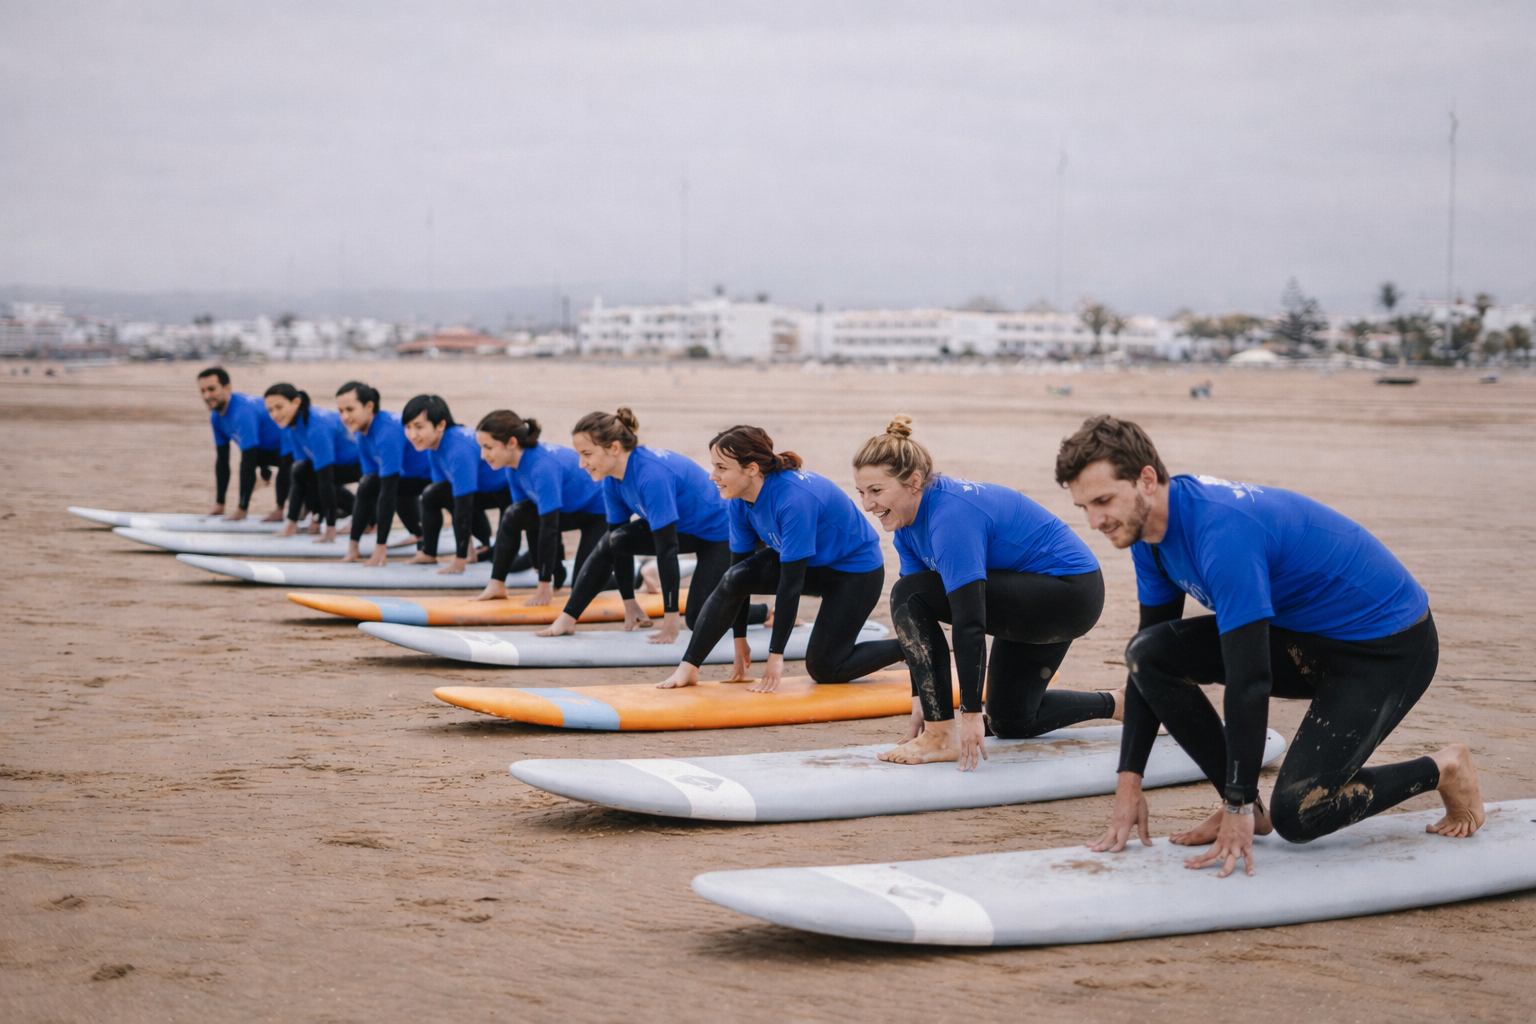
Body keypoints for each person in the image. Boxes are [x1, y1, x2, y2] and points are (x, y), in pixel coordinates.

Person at [1057, 414, 1482, 879]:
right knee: (1149, 652)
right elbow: (1148, 657)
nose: (1095, 521)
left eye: (1103, 501)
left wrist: (1236, 803)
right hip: (1309, 639)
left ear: (1147, 480)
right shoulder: (1148, 538)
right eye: (1084, 508)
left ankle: (1443, 767)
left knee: (1300, 814)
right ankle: (1248, 807)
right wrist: (1128, 783)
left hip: (1388, 647)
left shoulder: (1222, 533)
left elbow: (1250, 679)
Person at [853, 416, 1110, 770]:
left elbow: (969, 620)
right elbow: (919, 624)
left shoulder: (950, 517)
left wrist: (968, 714)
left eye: (877, 491)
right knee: (1011, 720)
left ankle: (940, 737)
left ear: (913, 482)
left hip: (1068, 594)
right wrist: (922, 700)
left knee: (907, 592)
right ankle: (1118, 703)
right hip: (1029, 595)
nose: (867, 504)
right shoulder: (907, 528)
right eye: (861, 493)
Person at [656, 425, 897, 693]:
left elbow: (791, 583)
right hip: (811, 564)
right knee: (734, 577)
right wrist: (740, 642)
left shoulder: (793, 499)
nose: (713, 476)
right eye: (714, 466)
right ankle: (688, 668)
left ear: (751, 469)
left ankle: (911, 646)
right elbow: (737, 578)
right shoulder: (738, 500)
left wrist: (775, 656)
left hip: (854, 572)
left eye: (722, 468)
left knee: (825, 668)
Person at [536, 407, 764, 643]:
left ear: (614, 448)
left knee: (697, 619)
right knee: (613, 541)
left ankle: (765, 612)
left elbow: (667, 550)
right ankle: (567, 619)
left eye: (586, 454)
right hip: (686, 530)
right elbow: (618, 547)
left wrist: (670, 619)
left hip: (722, 535)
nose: (581, 463)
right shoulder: (612, 481)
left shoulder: (651, 475)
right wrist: (629, 602)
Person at [471, 409, 608, 603]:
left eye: (488, 447)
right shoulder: (513, 468)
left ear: (511, 443)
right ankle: (496, 584)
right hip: (570, 508)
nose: (483, 455)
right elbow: (528, 519)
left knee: (582, 584)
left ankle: (636, 575)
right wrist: (541, 564)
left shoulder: (541, 467)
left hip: (598, 512)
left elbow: (549, 528)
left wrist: (544, 584)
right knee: (513, 514)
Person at [401, 394, 510, 574]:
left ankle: (482, 548)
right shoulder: (434, 446)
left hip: (507, 493)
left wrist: (460, 560)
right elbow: (448, 497)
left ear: (440, 425)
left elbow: (463, 507)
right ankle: (429, 553)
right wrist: (467, 552)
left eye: (419, 427)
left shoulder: (457, 449)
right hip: (481, 490)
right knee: (432, 494)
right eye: (408, 427)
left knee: (501, 558)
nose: (412, 435)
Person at [334, 382, 430, 564]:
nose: (345, 417)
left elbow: (387, 493)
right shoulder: (363, 432)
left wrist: (380, 547)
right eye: (341, 411)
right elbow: (368, 487)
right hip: (407, 475)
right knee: (366, 486)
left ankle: (419, 536)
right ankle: (353, 548)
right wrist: (354, 545)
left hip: (429, 476)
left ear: (369, 406)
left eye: (350, 409)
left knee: (390, 492)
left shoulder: (387, 432)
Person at [263, 383, 361, 542]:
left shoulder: (316, 426)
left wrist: (329, 529)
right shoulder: (291, 426)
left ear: (296, 402)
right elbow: (302, 474)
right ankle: (292, 525)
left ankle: (365, 519)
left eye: (279, 407)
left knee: (321, 478)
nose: (275, 414)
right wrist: (293, 521)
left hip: (361, 466)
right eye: (270, 410)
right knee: (300, 472)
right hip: (339, 466)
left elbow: (325, 479)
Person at [197, 366, 289, 521]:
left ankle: (281, 509)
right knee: (246, 459)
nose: (207, 395)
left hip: (296, 450)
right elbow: (222, 461)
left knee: (305, 488)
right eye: (203, 391)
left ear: (227, 388)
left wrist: (242, 509)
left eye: (212, 389)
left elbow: (248, 461)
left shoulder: (242, 412)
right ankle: (265, 474)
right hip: (267, 449)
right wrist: (220, 504)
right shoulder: (216, 417)